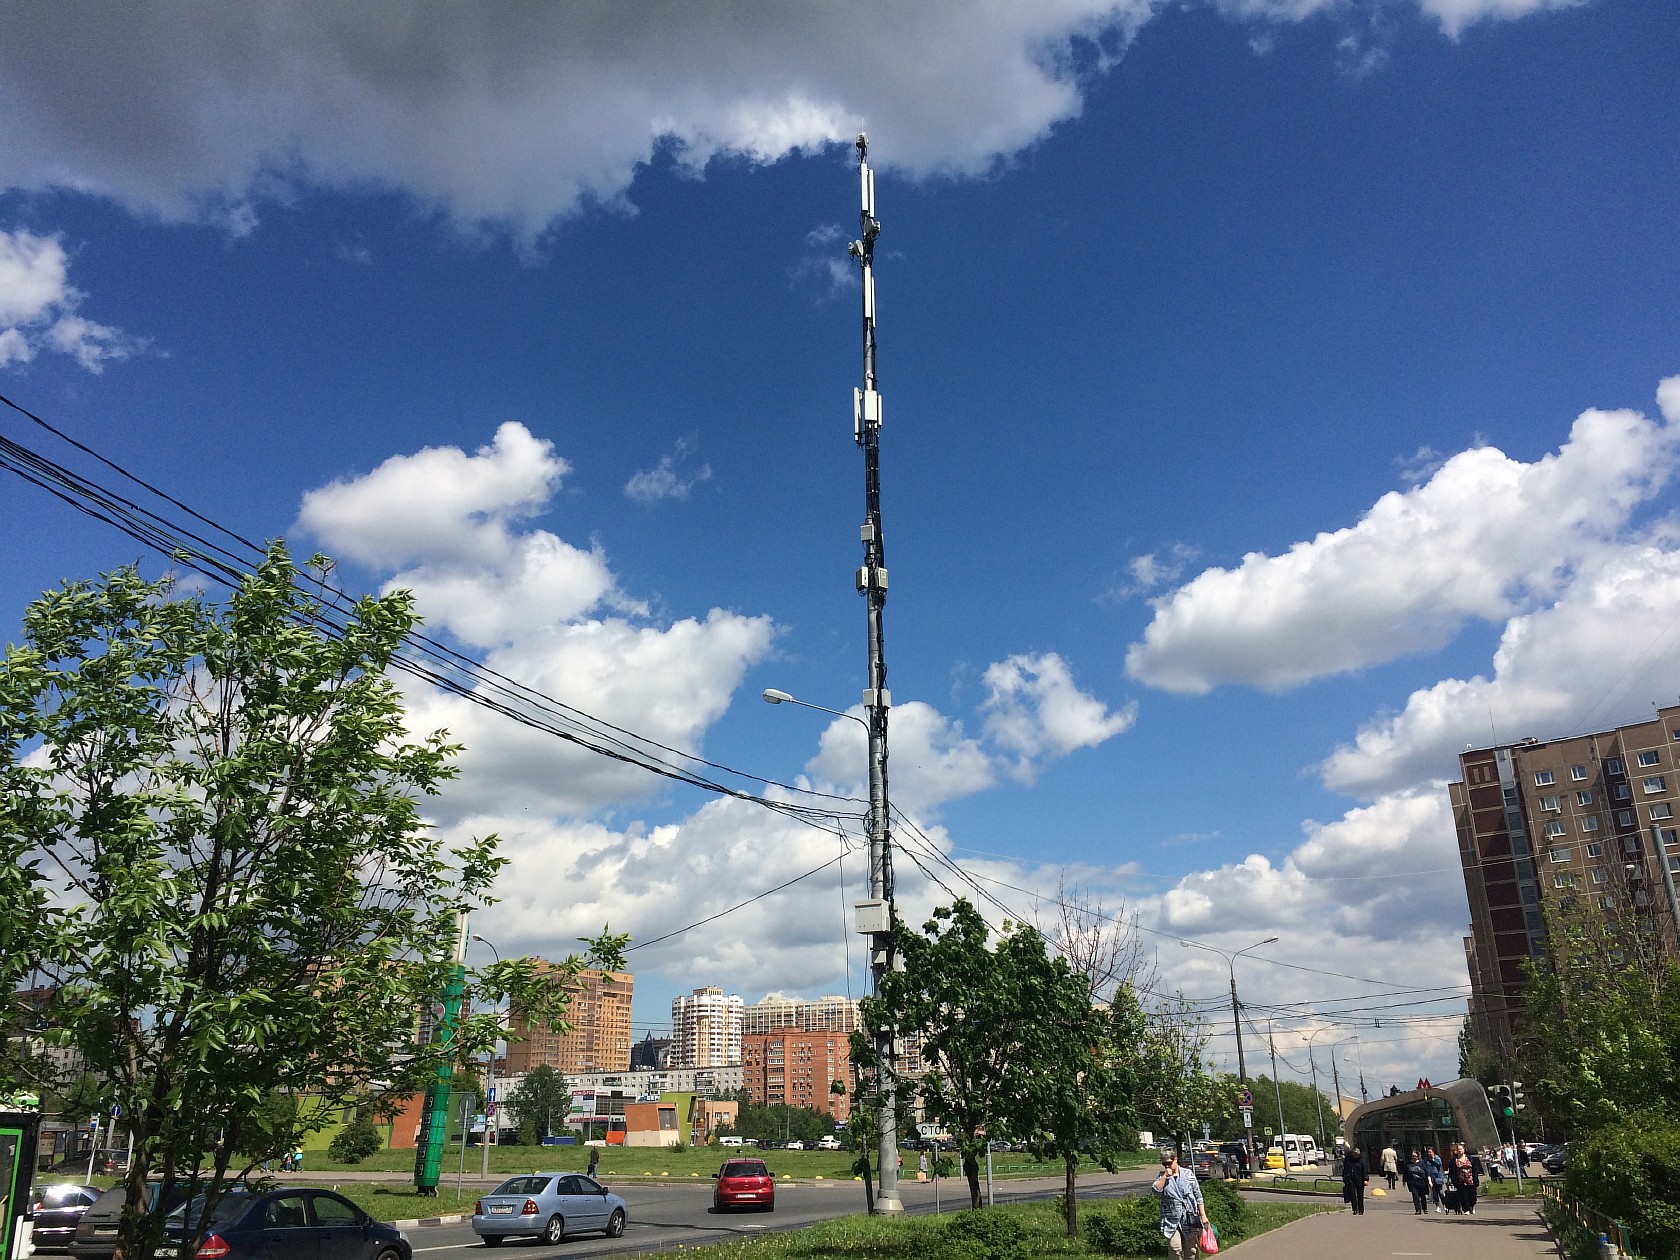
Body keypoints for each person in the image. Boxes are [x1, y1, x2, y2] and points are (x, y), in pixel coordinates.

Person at [1152, 1148, 1210, 1260]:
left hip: (1189, 1217)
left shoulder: (1188, 1174)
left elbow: (1198, 1195)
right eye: (1164, 1164)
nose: (1167, 1166)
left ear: (1176, 1160)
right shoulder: (1162, 1176)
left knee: (1191, 1250)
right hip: (1171, 1218)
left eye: (1169, 1163)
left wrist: (1203, 1215)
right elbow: (1155, 1190)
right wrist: (1165, 1177)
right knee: (1175, 1248)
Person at [1451, 1143, 1478, 1215]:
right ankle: (1466, 1209)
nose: (1459, 1151)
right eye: (1458, 1149)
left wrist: (1476, 1179)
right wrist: (1454, 1181)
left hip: (1470, 1180)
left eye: (1461, 1149)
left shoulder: (1470, 1158)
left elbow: (1475, 1169)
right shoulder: (1454, 1160)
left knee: (1472, 1195)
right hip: (1460, 1181)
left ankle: (1472, 1206)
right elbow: (1452, 1171)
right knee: (1463, 1196)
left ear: (1464, 1150)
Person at [1341, 1146, 1369, 1216]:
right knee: (1352, 1194)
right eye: (1354, 1154)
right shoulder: (1349, 1160)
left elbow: (1365, 1171)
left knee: (1360, 1196)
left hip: (1360, 1179)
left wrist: (1366, 1179)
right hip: (1351, 1180)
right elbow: (1345, 1169)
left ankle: (1361, 1210)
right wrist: (1344, 1178)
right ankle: (1355, 1209)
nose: (1355, 1156)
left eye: (1357, 1154)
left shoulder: (1362, 1161)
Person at [1403, 1148, 1431, 1215]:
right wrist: (1404, 1181)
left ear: (1418, 1156)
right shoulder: (1408, 1164)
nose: (1414, 1157)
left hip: (1422, 1183)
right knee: (1415, 1195)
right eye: (1413, 1156)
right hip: (1412, 1183)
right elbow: (1405, 1173)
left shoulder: (1421, 1163)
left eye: (1415, 1156)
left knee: (1422, 1196)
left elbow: (1427, 1172)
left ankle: (1424, 1208)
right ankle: (1418, 1210)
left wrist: (1429, 1181)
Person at [1425, 1147, 1444, 1212]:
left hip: (1438, 1177)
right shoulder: (1426, 1159)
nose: (1429, 1153)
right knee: (1434, 1193)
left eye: (1430, 1152)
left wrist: (1433, 1160)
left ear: (1433, 1152)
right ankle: (1437, 1206)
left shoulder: (1437, 1158)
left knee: (1440, 1192)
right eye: (1428, 1152)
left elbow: (1439, 1165)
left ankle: (1445, 1204)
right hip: (1431, 1178)